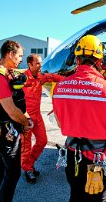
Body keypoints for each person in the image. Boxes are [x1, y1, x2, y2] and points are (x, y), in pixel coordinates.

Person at [52, 35, 106, 202]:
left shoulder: (59, 87)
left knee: (76, 196)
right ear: (101, 61)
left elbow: (60, 123)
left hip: (73, 158)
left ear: (77, 60)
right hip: (100, 159)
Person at [0, 40, 34, 202]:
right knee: (13, 172)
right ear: (10, 54)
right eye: (19, 56)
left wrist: (26, 118)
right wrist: (26, 123)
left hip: (5, 130)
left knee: (1, 166)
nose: (21, 59)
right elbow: (11, 110)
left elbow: (18, 103)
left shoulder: (7, 73)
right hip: (6, 131)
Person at [21, 54, 65, 183]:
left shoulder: (41, 77)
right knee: (26, 146)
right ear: (30, 65)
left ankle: (30, 163)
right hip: (25, 118)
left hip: (37, 116)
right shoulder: (22, 78)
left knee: (42, 141)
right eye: (38, 63)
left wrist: (69, 79)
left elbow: (53, 77)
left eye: (41, 63)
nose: (41, 66)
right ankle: (27, 169)